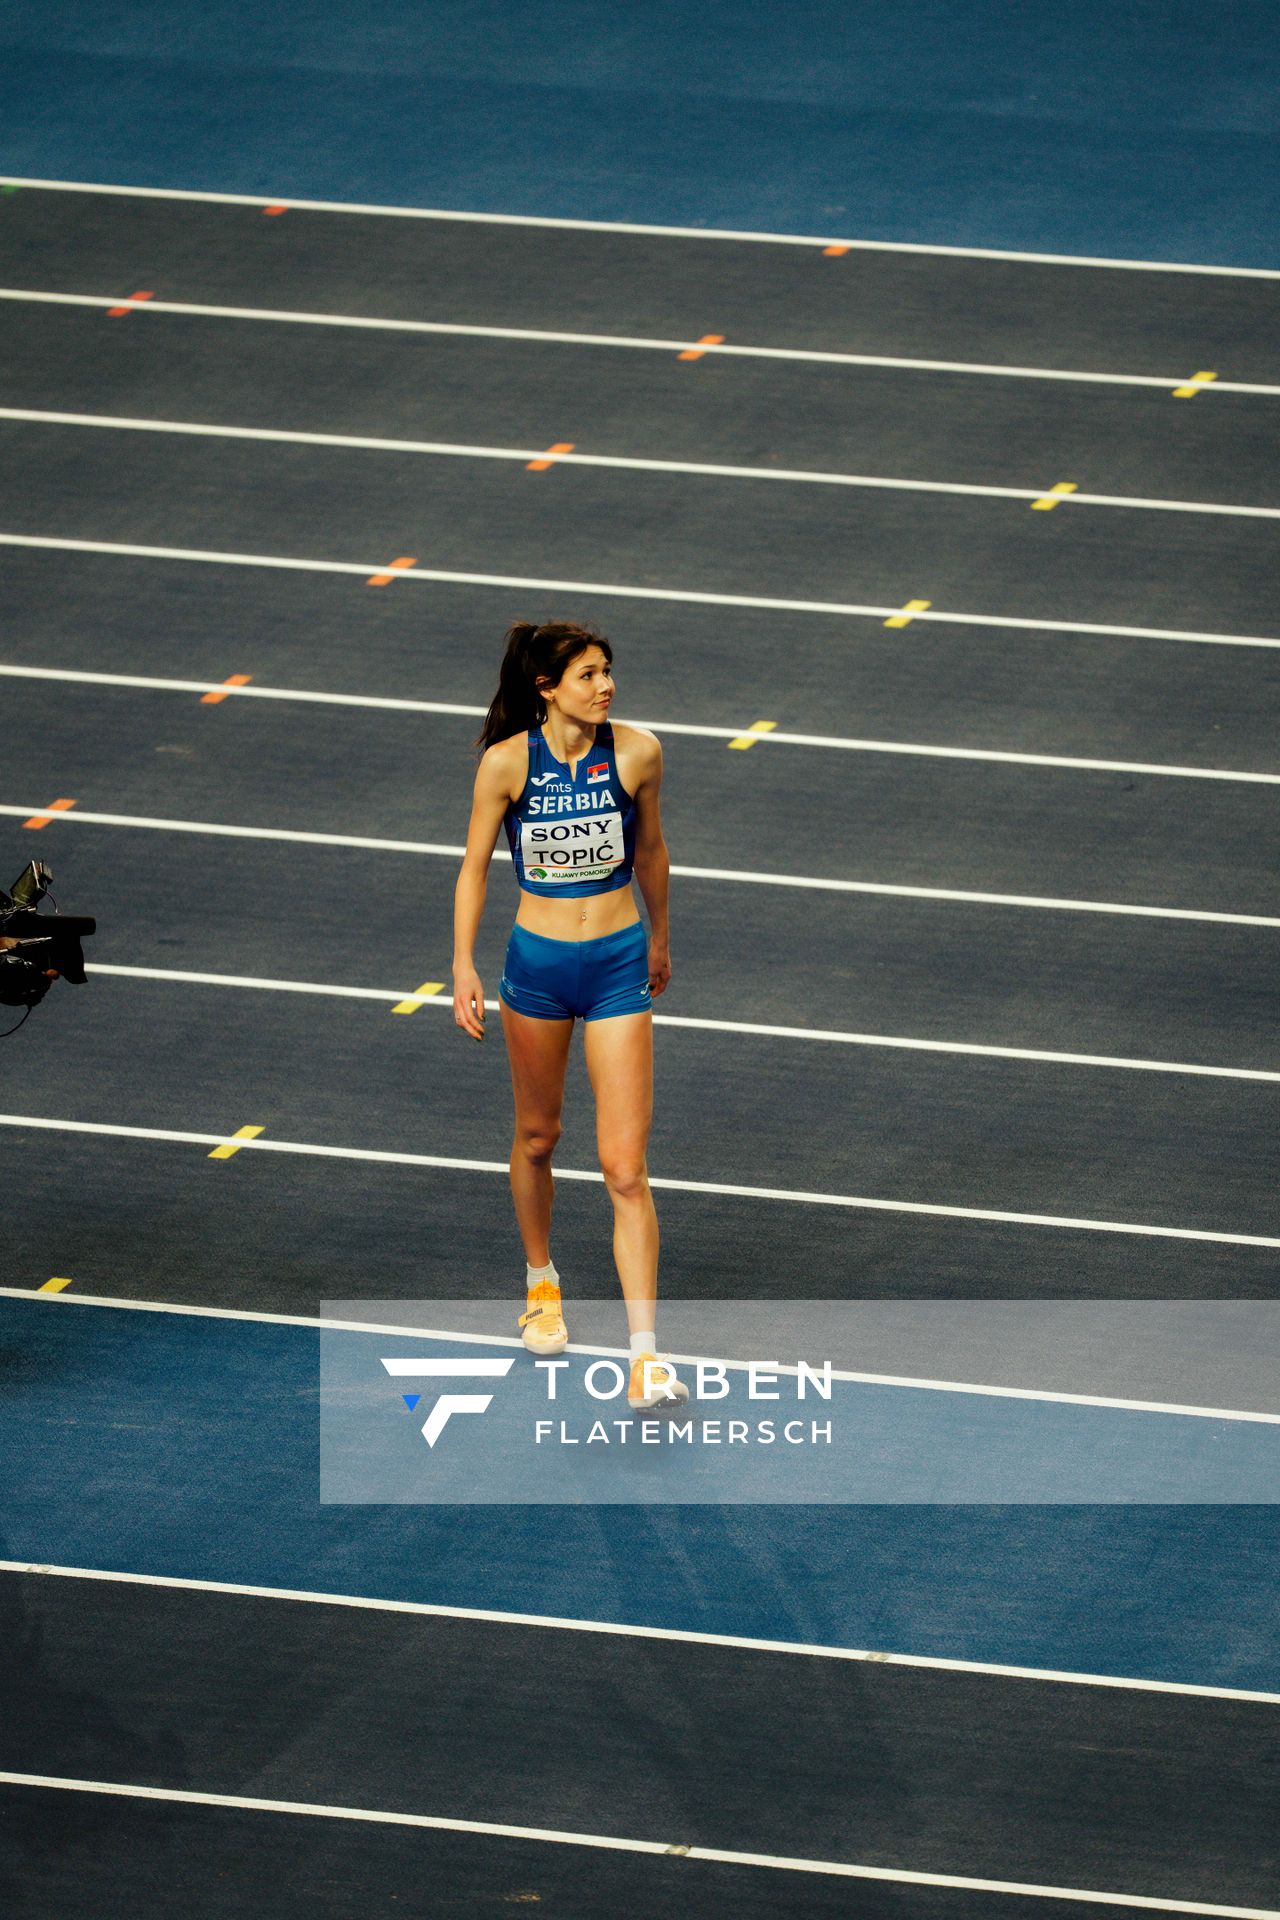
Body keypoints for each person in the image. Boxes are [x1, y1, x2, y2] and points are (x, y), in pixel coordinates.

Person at [452, 619, 688, 1413]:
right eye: (588, 674)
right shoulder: (507, 763)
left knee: (624, 1164)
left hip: (619, 964)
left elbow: (651, 851)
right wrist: (462, 965)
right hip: (538, 973)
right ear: (547, 688)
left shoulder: (639, 753)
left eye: (608, 670)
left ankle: (646, 1353)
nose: (606, 685)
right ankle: (541, 1282)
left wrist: (659, 937)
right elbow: (475, 868)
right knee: (538, 1137)